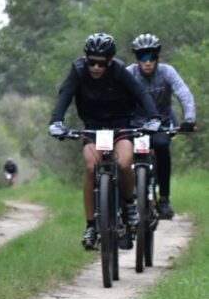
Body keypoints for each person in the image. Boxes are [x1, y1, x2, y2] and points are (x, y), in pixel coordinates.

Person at [48, 32, 161, 250]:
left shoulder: (119, 70)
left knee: (124, 162)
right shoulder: (78, 71)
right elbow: (65, 95)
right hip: (93, 125)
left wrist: (154, 117)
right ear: (85, 58)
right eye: (92, 62)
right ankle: (91, 225)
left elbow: (141, 93)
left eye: (101, 64)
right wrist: (56, 122)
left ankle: (128, 205)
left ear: (110, 61)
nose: (96, 68)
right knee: (91, 167)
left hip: (120, 124)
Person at [126, 33, 197, 219]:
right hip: (135, 124)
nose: (147, 62)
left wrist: (189, 119)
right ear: (137, 59)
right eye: (143, 57)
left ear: (158, 58)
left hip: (162, 123)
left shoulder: (167, 72)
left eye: (152, 57)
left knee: (162, 146)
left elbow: (184, 93)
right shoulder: (129, 73)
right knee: (125, 155)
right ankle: (128, 196)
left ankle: (164, 199)